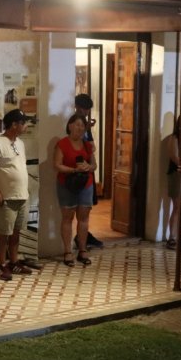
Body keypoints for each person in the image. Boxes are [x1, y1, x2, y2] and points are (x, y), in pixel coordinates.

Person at [0, 109, 31, 281]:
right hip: (7, 198)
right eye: (23, 123)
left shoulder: (20, 143)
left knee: (16, 232)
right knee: (4, 233)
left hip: (23, 196)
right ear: (14, 125)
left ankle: (14, 261)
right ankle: (2, 264)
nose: (25, 126)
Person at [55, 112, 95, 267]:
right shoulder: (62, 144)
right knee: (67, 218)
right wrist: (73, 170)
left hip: (86, 184)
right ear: (70, 125)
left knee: (84, 218)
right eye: (77, 124)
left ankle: (82, 250)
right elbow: (57, 165)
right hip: (67, 184)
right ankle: (68, 252)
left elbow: (94, 165)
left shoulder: (87, 145)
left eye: (83, 126)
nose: (80, 128)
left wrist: (88, 167)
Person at [74, 93, 105, 250]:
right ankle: (80, 237)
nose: (86, 112)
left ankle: (83, 235)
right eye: (84, 109)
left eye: (87, 110)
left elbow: (92, 147)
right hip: (77, 169)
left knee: (87, 206)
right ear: (78, 107)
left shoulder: (86, 126)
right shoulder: (72, 124)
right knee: (76, 206)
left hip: (88, 167)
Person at [164, 111, 181, 249]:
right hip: (177, 174)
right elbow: (174, 156)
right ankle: (172, 237)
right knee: (177, 206)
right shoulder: (174, 138)